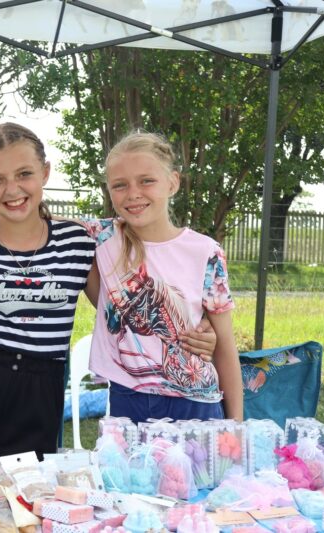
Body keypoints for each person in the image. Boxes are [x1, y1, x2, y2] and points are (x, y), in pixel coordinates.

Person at [0, 123, 217, 461]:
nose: (12, 189)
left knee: (27, 496)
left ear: (45, 173)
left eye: (24, 173)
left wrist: (196, 329)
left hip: (44, 383)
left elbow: (120, 309)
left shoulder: (78, 241)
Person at [84, 131, 243, 423]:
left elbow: (225, 346)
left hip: (197, 404)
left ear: (172, 182)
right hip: (128, 398)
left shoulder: (205, 251)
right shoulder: (101, 238)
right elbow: (33, 221)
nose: (133, 193)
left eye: (147, 180)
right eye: (119, 185)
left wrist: (236, 428)